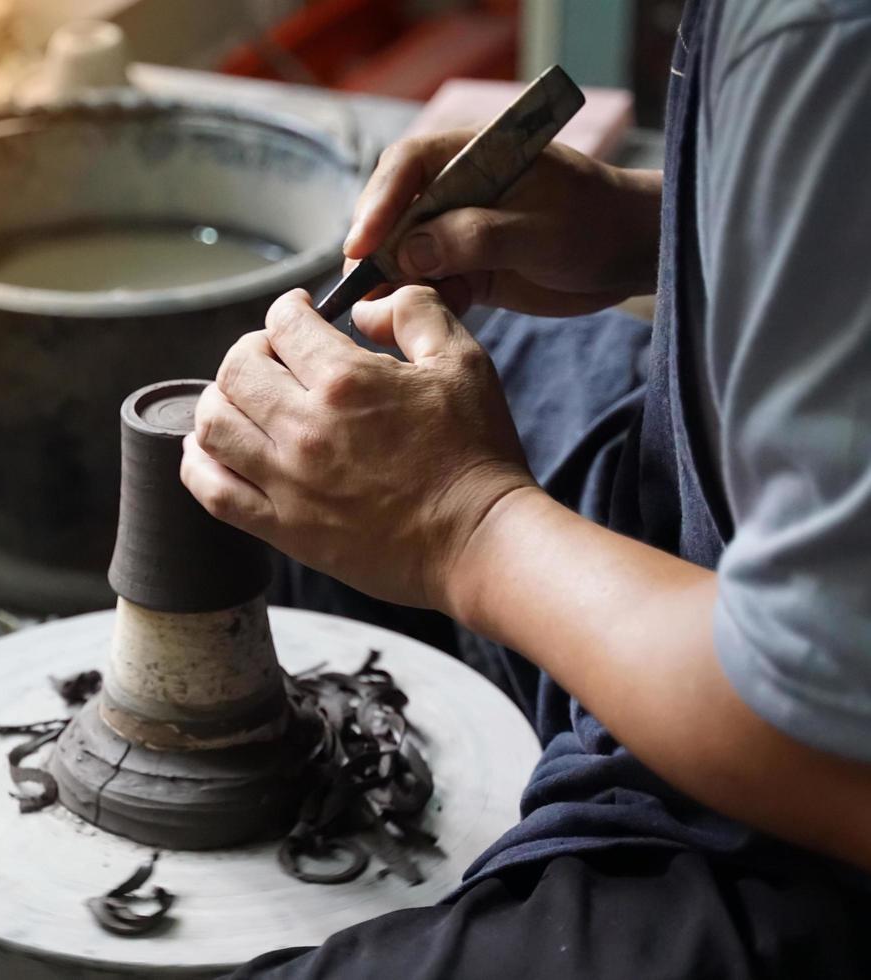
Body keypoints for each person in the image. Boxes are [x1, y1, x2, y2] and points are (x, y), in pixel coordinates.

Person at [182, 1, 871, 976]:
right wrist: (660, 225)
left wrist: (465, 521)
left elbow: (835, 756)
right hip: (758, 565)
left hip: (809, 808)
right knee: (334, 400)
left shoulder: (824, 34)